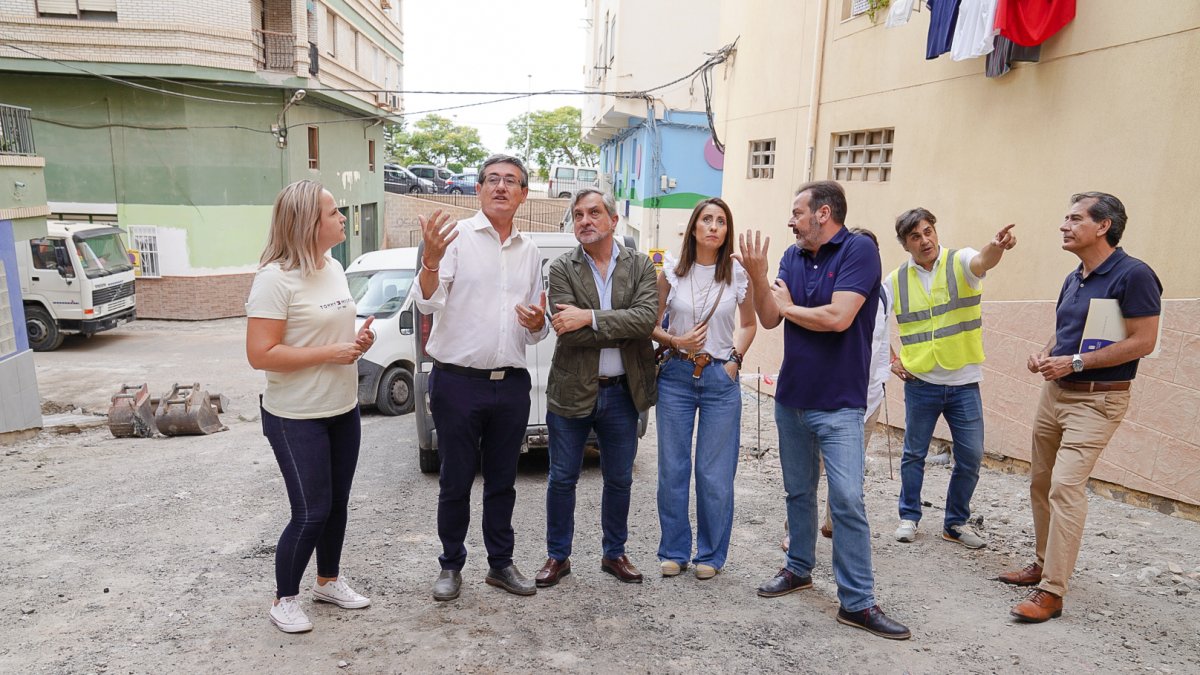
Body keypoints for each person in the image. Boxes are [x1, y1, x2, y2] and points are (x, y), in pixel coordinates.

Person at [739, 180, 910, 640]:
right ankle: (798, 569)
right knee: (798, 492)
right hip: (792, 398)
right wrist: (758, 276)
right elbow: (771, 317)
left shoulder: (859, 251)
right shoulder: (792, 257)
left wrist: (791, 305)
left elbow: (839, 318)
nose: (790, 220)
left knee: (847, 500)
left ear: (824, 213)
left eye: (797, 212)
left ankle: (856, 603)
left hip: (840, 404)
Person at [1002, 192, 1161, 623]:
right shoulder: (1075, 277)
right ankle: (1042, 562)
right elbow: (1065, 332)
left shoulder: (1135, 275)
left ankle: (1052, 593)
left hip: (1099, 399)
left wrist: (1074, 362)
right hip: (1055, 395)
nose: (1064, 225)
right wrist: (1043, 354)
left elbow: (1143, 341)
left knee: (1065, 487)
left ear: (1103, 226)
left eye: (1074, 218)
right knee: (1040, 481)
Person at [412, 154, 549, 602]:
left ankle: (500, 565)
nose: (501, 187)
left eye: (511, 181)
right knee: (454, 479)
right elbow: (428, 304)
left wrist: (536, 324)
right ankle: (451, 566)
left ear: (524, 194)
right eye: (492, 180)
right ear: (478, 189)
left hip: (510, 383)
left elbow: (536, 328)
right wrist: (430, 262)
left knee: (503, 481)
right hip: (457, 382)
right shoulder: (456, 240)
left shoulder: (530, 251)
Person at [245, 180, 377, 634]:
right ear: (307, 223)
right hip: (294, 415)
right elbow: (260, 354)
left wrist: (356, 341)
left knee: (337, 503)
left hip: (342, 406)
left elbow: (330, 332)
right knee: (311, 511)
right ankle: (284, 598)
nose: (342, 218)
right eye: (333, 212)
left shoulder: (334, 267)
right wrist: (331, 353)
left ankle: (328, 581)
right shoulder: (273, 280)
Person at [535, 189, 659, 588]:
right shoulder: (560, 268)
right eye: (578, 215)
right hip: (571, 389)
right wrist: (612, 325)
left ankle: (614, 553)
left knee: (619, 479)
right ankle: (558, 556)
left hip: (623, 393)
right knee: (562, 478)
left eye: (593, 213)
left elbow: (644, 321)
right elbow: (565, 333)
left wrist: (588, 317)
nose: (585, 221)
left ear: (613, 220)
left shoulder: (640, 265)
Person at [886, 209, 1017, 549]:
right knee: (913, 454)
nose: (925, 240)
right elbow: (871, 321)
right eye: (915, 236)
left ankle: (955, 522)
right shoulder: (895, 280)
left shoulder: (961, 262)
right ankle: (909, 516)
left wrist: (997, 246)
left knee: (971, 455)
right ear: (905, 244)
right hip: (921, 382)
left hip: (963, 381)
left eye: (928, 231)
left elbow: (983, 261)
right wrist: (889, 358)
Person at [651, 198, 757, 581]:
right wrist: (676, 341)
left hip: (718, 380)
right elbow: (651, 323)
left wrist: (735, 361)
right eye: (707, 220)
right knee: (673, 469)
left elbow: (748, 324)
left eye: (721, 222)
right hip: (677, 378)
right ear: (694, 227)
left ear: (727, 231)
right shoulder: (672, 274)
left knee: (714, 473)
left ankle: (710, 554)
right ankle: (674, 551)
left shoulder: (737, 275)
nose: (714, 227)